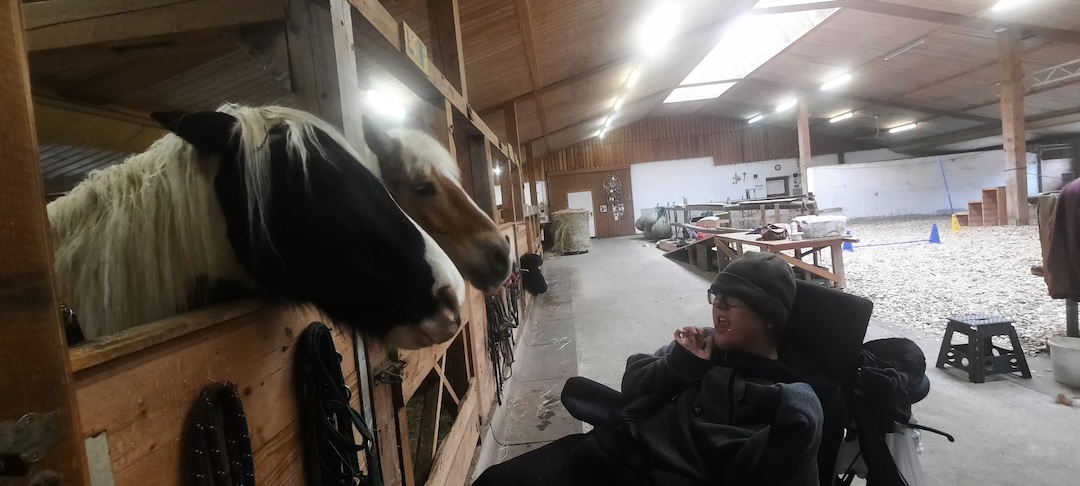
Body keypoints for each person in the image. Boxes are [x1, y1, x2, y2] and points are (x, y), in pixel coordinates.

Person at [473, 252, 825, 486]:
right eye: (717, 294)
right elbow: (634, 382)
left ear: (768, 316)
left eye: (734, 298)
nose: (719, 303)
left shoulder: (784, 395)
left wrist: (799, 420)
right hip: (610, 449)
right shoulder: (700, 346)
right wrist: (678, 365)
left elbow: (772, 464)